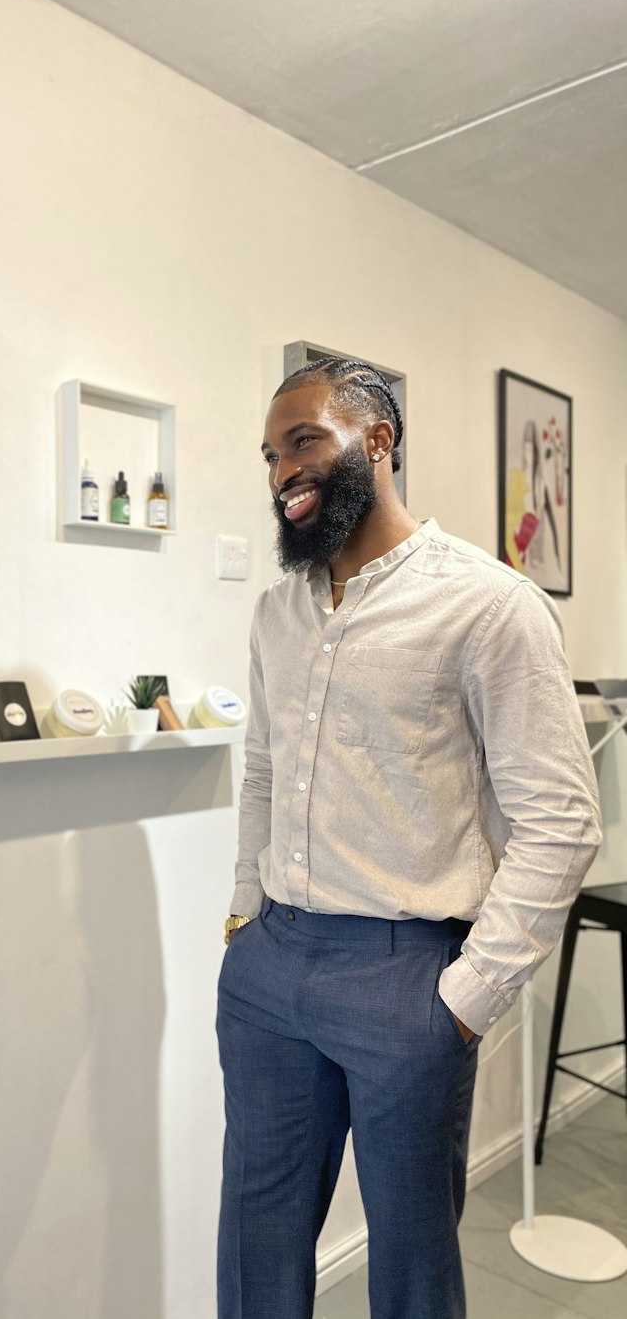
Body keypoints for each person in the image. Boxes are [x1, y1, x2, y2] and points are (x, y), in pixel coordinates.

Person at [216, 357, 602, 1319]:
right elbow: (262, 772)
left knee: (413, 1268)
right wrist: (241, 917)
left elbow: (562, 818)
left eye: (304, 441)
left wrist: (466, 997)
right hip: (271, 970)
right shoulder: (276, 613)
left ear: (377, 440)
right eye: (270, 454)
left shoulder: (489, 603)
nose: (281, 473)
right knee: (255, 1244)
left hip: (407, 976)